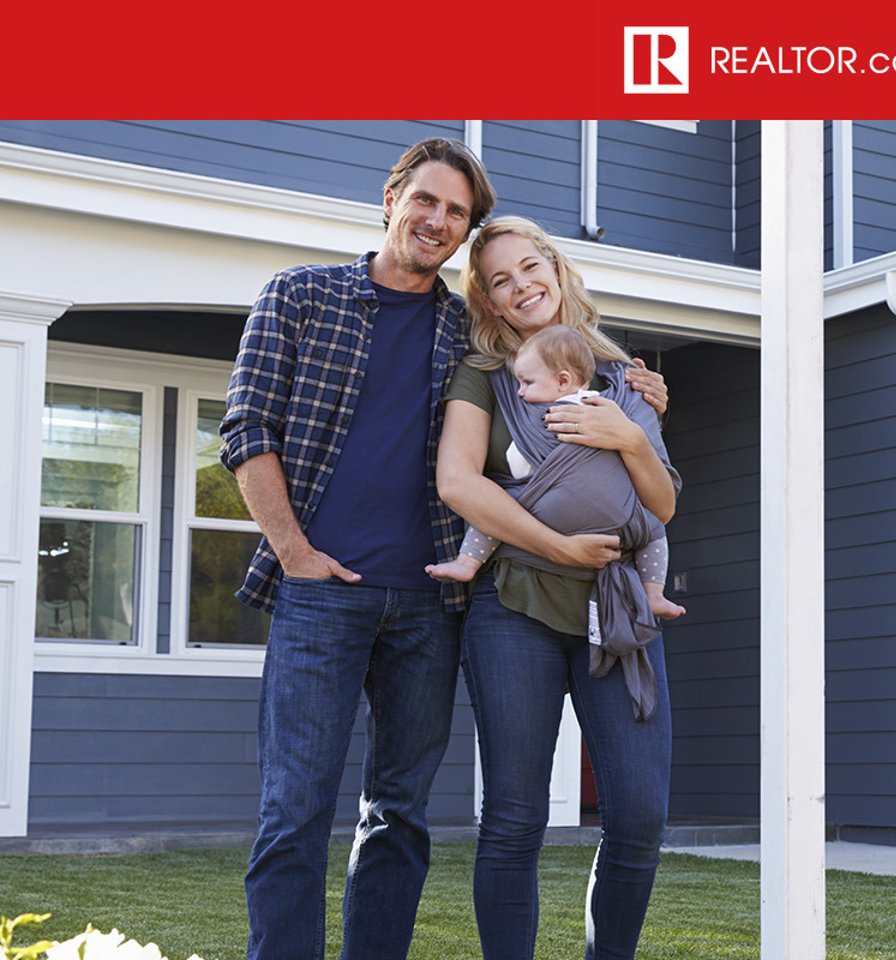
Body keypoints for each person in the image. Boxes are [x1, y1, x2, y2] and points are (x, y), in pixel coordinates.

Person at [219, 141, 665, 960]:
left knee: (396, 815)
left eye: (456, 212)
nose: (437, 220)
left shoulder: (471, 329)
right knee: (295, 812)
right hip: (322, 588)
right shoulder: (300, 295)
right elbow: (246, 429)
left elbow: (558, 356)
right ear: (392, 196)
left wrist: (633, 389)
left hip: (432, 601)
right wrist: (294, 550)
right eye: (426, 200)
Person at [434, 215, 678, 960]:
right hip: (517, 607)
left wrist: (631, 435)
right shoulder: (485, 373)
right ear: (489, 301)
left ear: (556, 266)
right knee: (513, 816)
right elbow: (459, 481)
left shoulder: (622, 375)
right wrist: (556, 544)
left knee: (638, 814)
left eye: (529, 266)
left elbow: (662, 504)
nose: (521, 286)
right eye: (500, 280)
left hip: (617, 611)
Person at [426, 323, 686, 622]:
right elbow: (659, 511)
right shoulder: (609, 404)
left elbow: (518, 461)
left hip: (553, 522)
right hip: (612, 529)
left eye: (526, 383)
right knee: (654, 533)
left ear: (562, 380)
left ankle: (466, 562)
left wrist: (632, 439)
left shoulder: (544, 414)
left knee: (495, 510)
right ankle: (653, 594)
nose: (521, 392)